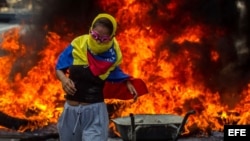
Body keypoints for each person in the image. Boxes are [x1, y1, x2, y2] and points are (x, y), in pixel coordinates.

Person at [55, 13, 139, 141]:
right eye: (95, 35)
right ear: (90, 30)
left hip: (94, 113)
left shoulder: (112, 56)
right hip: (70, 111)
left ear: (111, 37)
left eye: (103, 38)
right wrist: (64, 79)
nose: (97, 40)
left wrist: (127, 82)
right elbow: (59, 67)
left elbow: (115, 73)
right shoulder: (77, 44)